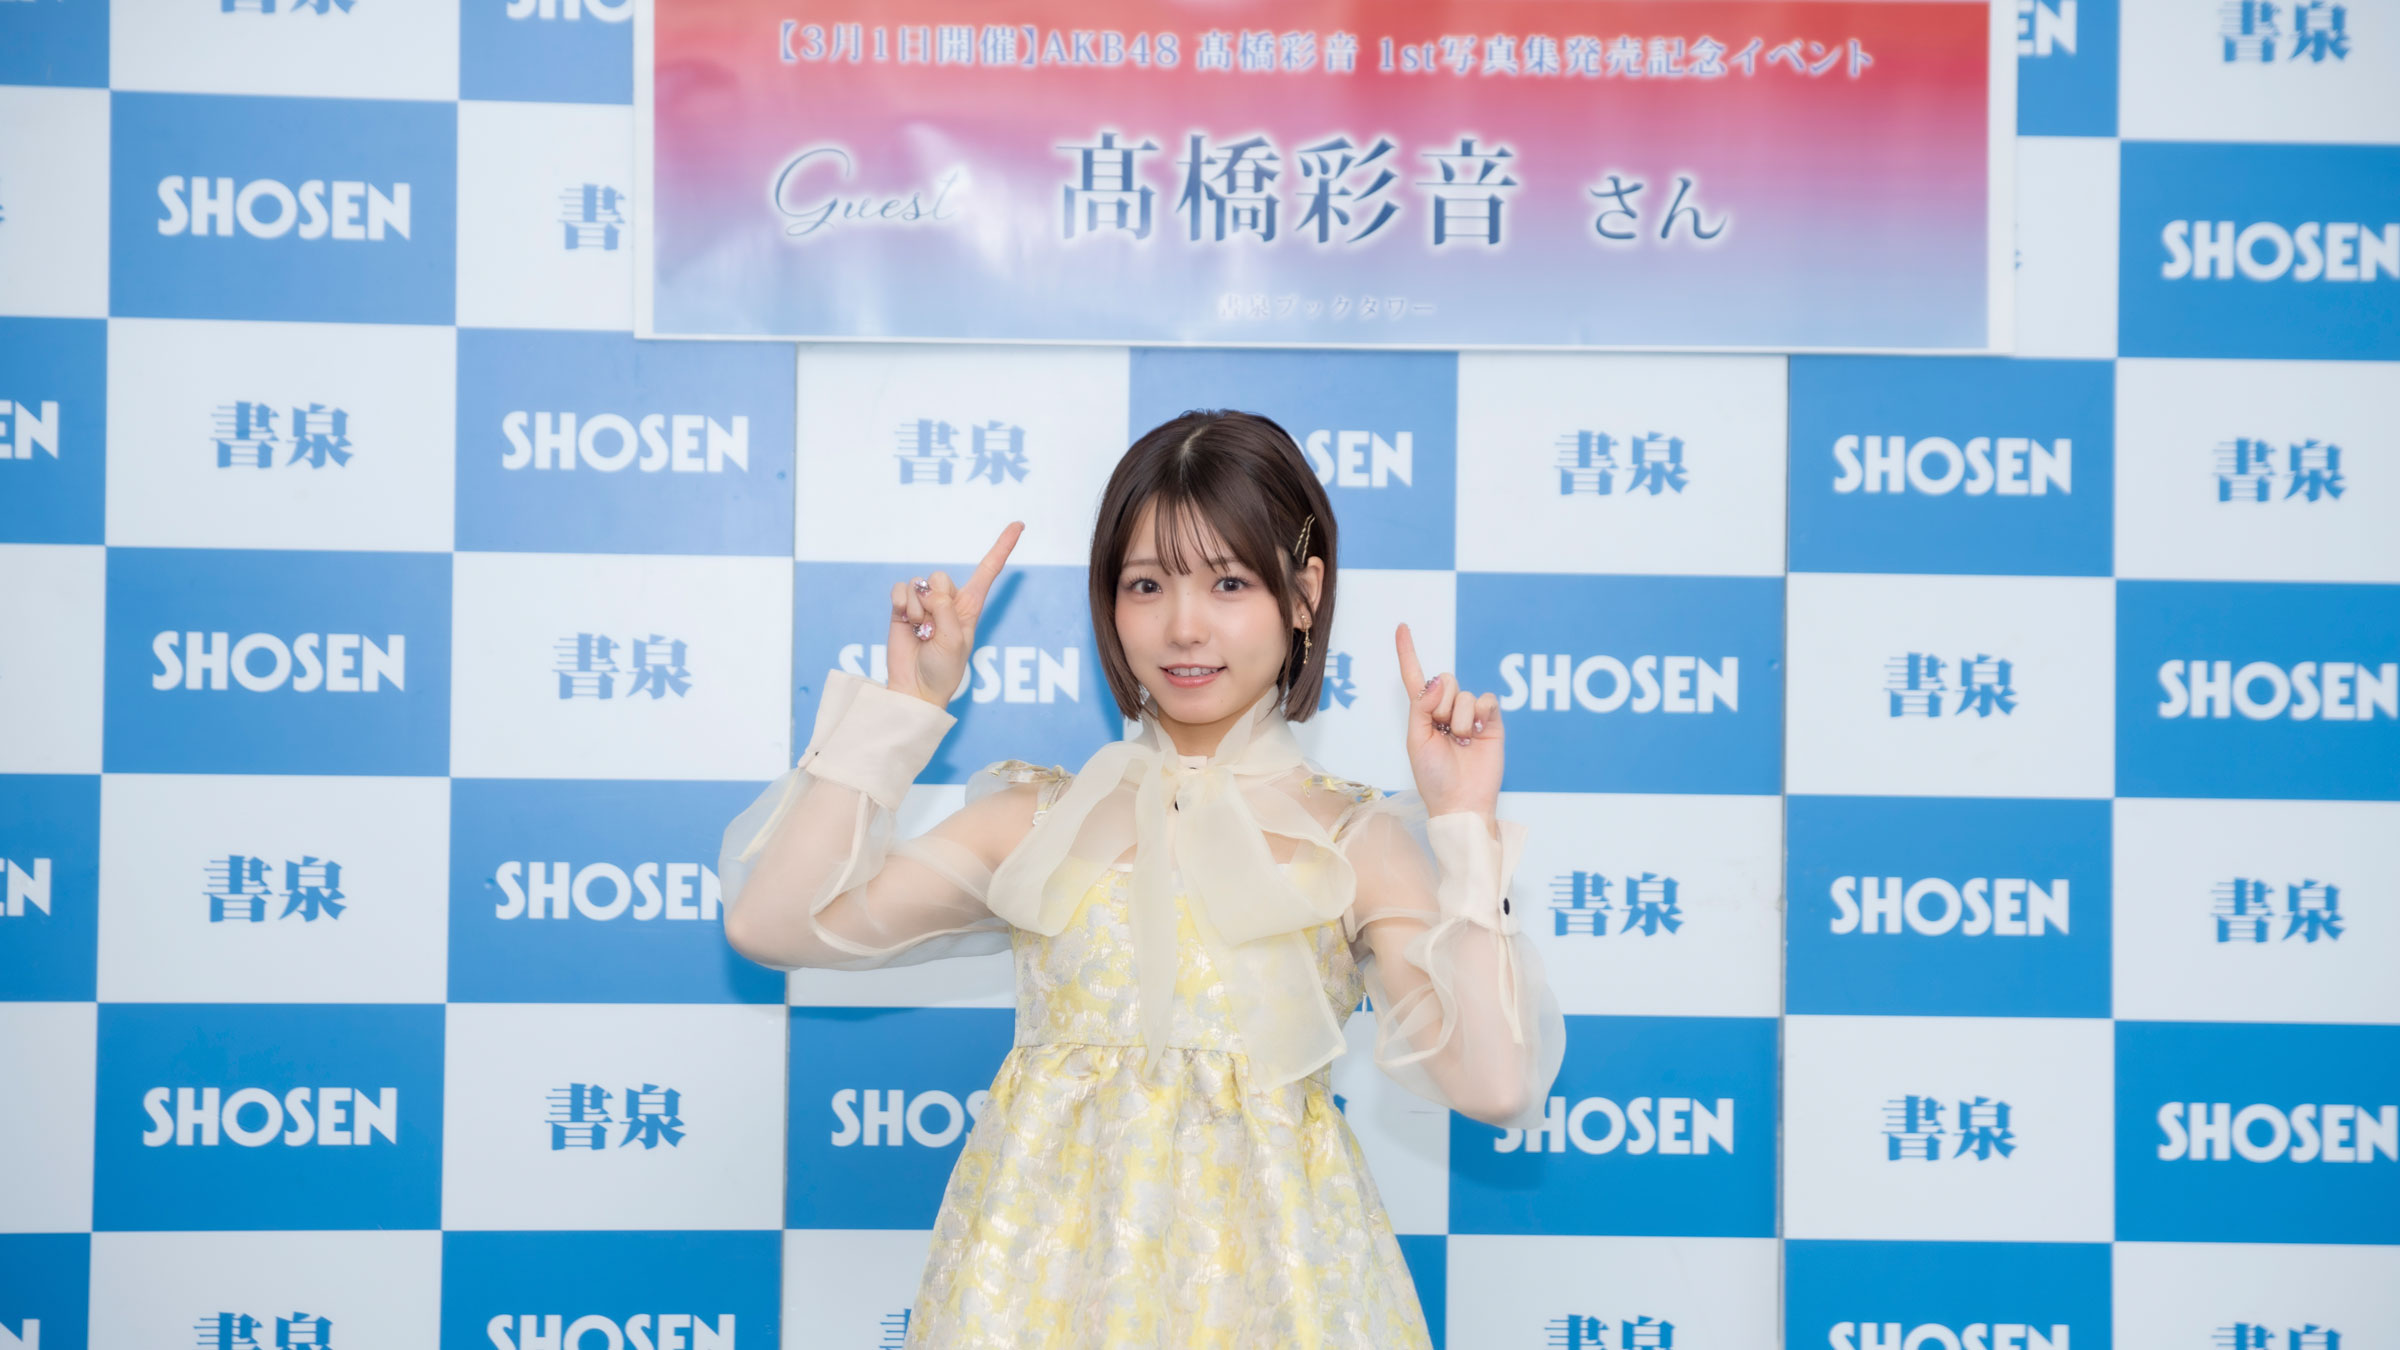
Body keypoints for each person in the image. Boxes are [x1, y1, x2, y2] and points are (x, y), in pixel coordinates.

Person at [718, 410, 1565, 1348]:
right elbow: (773, 924)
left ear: (1304, 593)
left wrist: (1463, 825)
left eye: (1229, 582)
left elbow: (1493, 1085)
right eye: (1146, 584)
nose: (1183, 626)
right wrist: (906, 708)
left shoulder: (1353, 840)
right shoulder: (1037, 819)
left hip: (1279, 1303)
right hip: (1037, 1300)